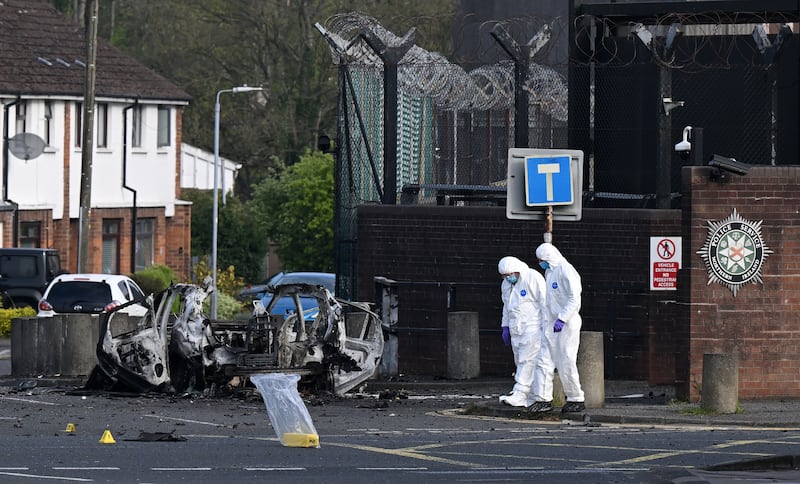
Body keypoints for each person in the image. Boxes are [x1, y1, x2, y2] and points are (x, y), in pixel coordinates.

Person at [527, 242, 586, 414]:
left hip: (567, 324)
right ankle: (543, 399)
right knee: (543, 360)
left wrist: (562, 318)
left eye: (541, 260)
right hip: (552, 323)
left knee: (566, 360)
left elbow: (574, 298)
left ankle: (576, 398)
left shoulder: (566, 270)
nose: (540, 263)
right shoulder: (550, 271)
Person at [497, 256, 547, 407]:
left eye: (509, 274)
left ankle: (519, 393)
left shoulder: (532, 278)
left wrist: (545, 326)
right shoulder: (506, 285)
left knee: (526, 361)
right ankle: (529, 395)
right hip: (516, 328)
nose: (508, 278)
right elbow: (507, 307)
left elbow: (544, 302)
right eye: (504, 276)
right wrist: (505, 326)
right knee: (520, 361)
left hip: (532, 327)